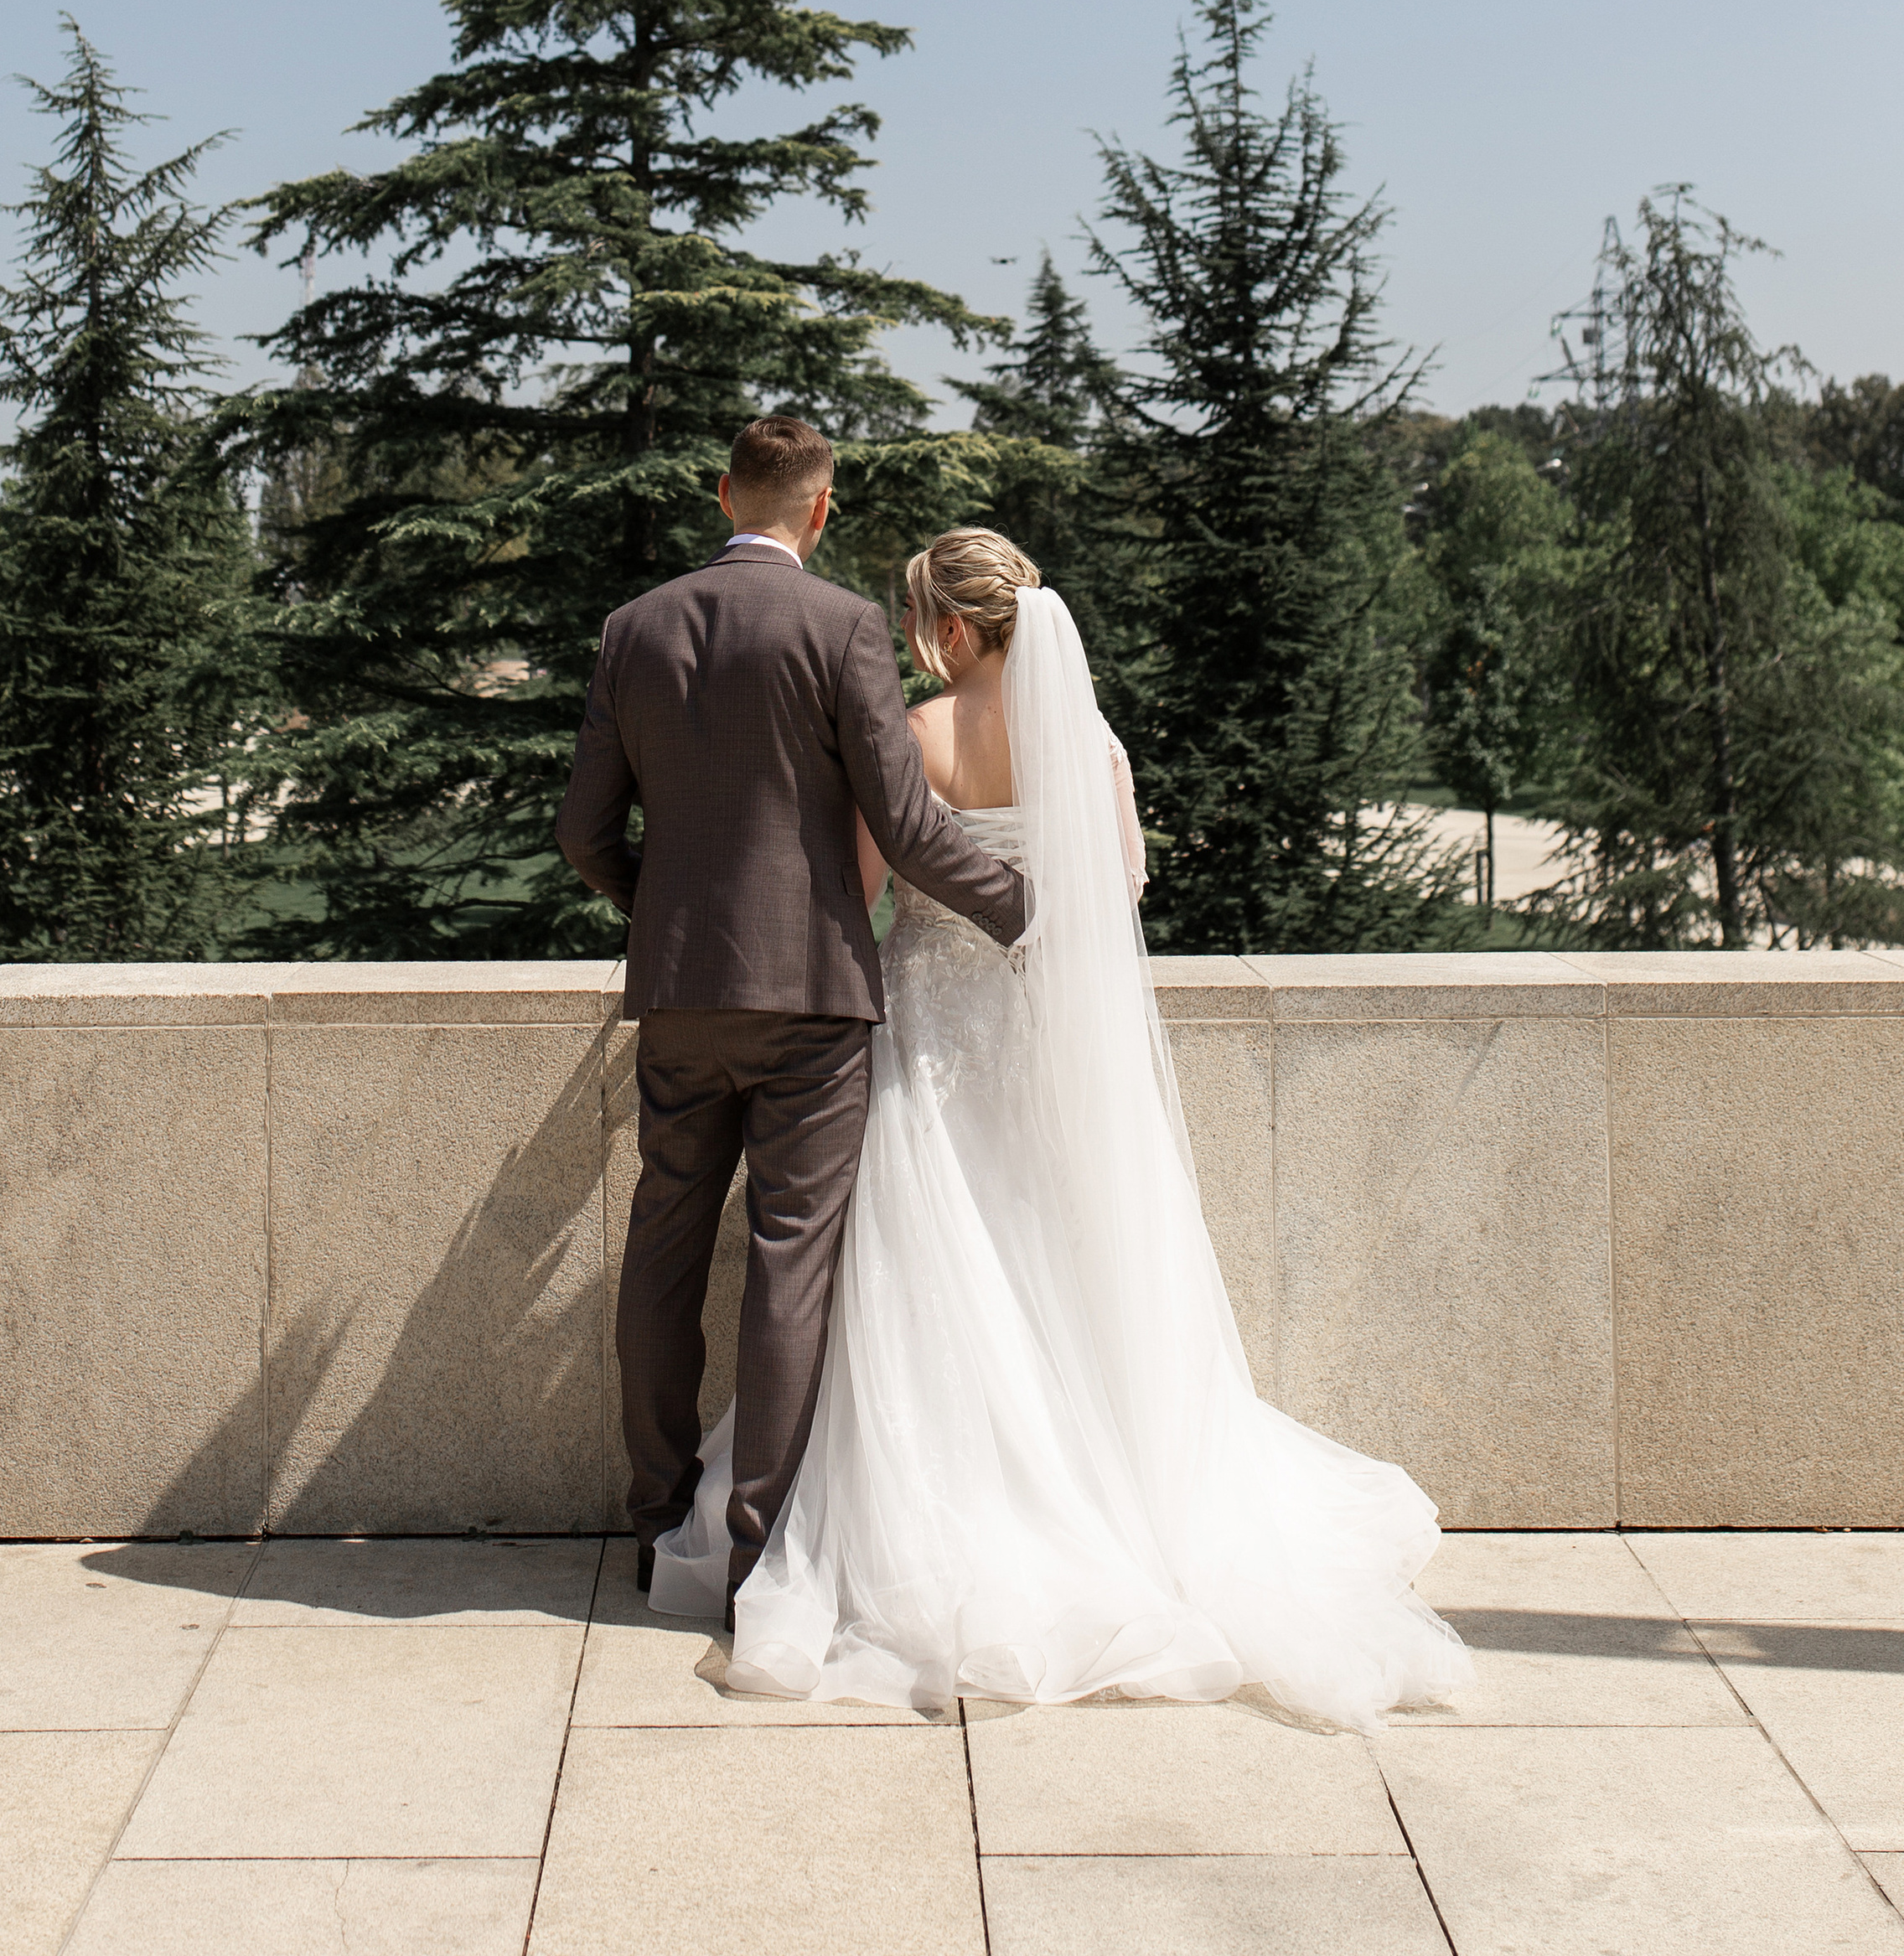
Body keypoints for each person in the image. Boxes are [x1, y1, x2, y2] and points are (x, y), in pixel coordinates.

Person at [649, 526, 1474, 1734]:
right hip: (1045, 1053)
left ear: (949, 629)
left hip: (929, 1039)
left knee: (922, 1279)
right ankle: (1107, 1502)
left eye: (919, 617)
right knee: (1066, 1276)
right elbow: (1120, 893)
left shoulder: (919, 735)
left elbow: (869, 888)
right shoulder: (1092, 747)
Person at [556, 418, 1027, 1629]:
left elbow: (583, 836)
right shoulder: (842, 627)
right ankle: (761, 1558)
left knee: (663, 1242)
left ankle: (661, 1525)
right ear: (820, 512)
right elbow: (912, 830)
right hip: (813, 995)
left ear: (723, 493)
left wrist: (655, 907)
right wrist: (1030, 908)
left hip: (677, 992)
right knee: (789, 1259)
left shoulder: (634, 627)